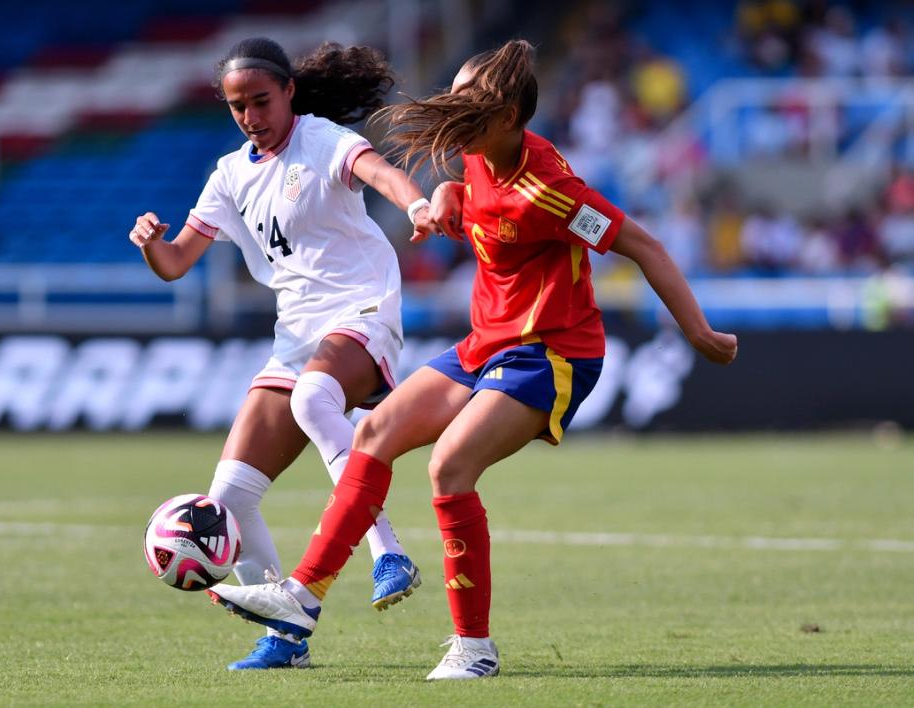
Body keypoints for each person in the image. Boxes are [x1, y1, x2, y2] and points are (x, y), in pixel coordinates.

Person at [205, 39, 739, 680]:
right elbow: (471, 195)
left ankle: (474, 650)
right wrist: (452, 197)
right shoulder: (476, 151)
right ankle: (300, 600)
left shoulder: (552, 191)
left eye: (470, 105)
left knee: (449, 465)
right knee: (372, 431)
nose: (454, 115)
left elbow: (644, 245)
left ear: (510, 117)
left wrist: (699, 331)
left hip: (551, 350)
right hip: (486, 343)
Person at [129, 37, 438, 671]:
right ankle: (287, 633)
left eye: (261, 101)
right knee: (228, 503)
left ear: (289, 91)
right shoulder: (230, 173)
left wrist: (417, 203)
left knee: (311, 397)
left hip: (363, 309)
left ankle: (389, 551)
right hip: (296, 336)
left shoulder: (321, 140)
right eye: (237, 107)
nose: (250, 116)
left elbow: (380, 172)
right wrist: (149, 244)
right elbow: (177, 261)